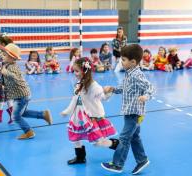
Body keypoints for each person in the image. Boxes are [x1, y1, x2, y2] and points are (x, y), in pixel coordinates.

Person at [101, 44, 155, 175]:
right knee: (134, 137)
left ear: (133, 62)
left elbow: (151, 87)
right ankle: (142, 160)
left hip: (134, 113)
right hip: (129, 111)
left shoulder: (136, 75)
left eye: (123, 60)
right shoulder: (129, 73)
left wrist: (146, 96)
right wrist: (113, 89)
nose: (121, 62)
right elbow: (125, 87)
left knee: (124, 138)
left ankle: (117, 164)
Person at [61, 57, 118, 165]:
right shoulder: (79, 84)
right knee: (75, 137)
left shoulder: (94, 86)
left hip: (92, 117)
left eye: (77, 71)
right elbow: (75, 99)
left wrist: (108, 91)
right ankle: (80, 157)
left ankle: (115, 144)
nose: (74, 73)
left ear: (85, 71)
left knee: (99, 142)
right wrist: (67, 111)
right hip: (79, 116)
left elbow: (104, 98)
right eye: (74, 71)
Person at [0, 43, 52, 139]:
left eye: (5, 54)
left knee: (15, 117)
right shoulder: (7, 65)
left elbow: (16, 78)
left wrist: (5, 72)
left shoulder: (12, 67)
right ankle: (43, 115)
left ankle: (28, 132)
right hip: (22, 94)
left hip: (21, 96)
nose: (2, 56)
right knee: (22, 113)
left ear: (11, 58)